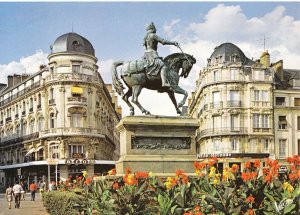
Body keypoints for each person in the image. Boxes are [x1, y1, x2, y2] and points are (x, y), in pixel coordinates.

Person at [143, 22, 178, 88]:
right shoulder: (153, 35)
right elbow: (163, 41)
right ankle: (164, 83)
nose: (155, 29)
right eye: (154, 28)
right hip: (152, 54)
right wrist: (173, 43)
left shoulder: (146, 37)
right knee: (163, 66)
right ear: (152, 28)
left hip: (146, 54)